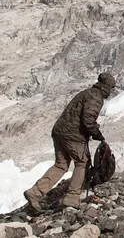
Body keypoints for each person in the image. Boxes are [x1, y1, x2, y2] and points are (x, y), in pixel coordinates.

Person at [24, 72, 116, 212]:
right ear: (107, 86)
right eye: (111, 88)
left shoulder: (86, 93)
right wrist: (97, 134)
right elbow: (88, 119)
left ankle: (35, 192)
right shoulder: (96, 97)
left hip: (59, 132)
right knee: (82, 162)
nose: (111, 91)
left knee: (61, 165)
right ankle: (72, 197)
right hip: (73, 135)